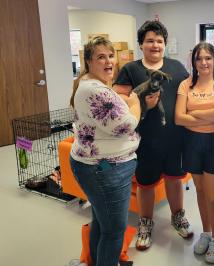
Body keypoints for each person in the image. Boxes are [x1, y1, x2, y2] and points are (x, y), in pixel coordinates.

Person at [113, 20, 193, 251]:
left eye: (159, 41)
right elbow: (119, 105)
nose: (155, 45)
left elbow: (190, 95)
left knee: (175, 180)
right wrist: (144, 106)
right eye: (150, 41)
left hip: (175, 138)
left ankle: (178, 217)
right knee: (146, 184)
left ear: (165, 44)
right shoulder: (131, 70)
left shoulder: (177, 67)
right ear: (141, 44)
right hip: (144, 140)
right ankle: (145, 225)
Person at [69, 36, 141, 266]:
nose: (109, 61)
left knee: (102, 222)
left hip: (101, 166)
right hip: (105, 169)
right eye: (101, 57)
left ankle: (93, 261)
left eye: (111, 56)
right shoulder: (95, 90)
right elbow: (126, 124)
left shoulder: (93, 85)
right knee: (114, 231)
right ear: (89, 61)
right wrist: (134, 105)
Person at [175, 42, 214, 263]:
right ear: (194, 62)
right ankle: (206, 234)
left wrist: (194, 111)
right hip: (191, 142)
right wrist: (209, 113)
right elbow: (179, 118)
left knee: (212, 195)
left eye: (208, 58)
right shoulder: (186, 85)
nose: (204, 62)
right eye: (199, 58)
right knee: (199, 190)